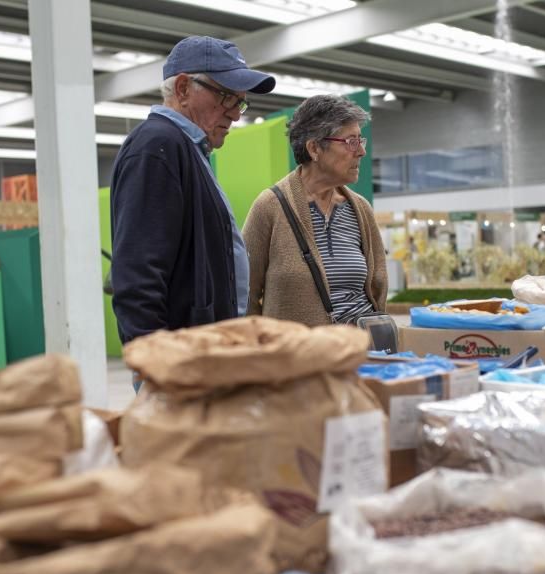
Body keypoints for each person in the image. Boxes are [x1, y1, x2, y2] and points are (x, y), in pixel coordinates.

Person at [109, 36, 275, 344]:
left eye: (240, 101)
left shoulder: (187, 150)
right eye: (226, 96)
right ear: (184, 89)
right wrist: (158, 362)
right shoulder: (157, 147)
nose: (236, 113)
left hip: (205, 351)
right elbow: (137, 274)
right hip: (180, 361)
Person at [243, 95, 387, 327]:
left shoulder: (360, 209)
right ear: (314, 148)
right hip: (299, 356)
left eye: (361, 140)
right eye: (351, 141)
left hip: (362, 352)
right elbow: (244, 293)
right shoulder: (270, 206)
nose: (361, 151)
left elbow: (377, 288)